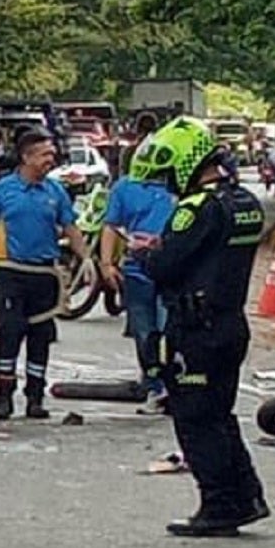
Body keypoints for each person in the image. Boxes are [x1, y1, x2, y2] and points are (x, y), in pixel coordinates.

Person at [138, 116, 269, 537]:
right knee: (220, 414)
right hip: (231, 322)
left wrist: (144, 253)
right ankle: (246, 495)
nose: (169, 183)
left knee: (195, 418)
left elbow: (165, 266)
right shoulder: (244, 201)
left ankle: (219, 504)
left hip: (197, 328)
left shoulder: (197, 208)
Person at [0, 130, 95, 420]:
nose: (51, 160)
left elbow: (70, 227)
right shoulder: (2, 190)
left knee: (41, 335)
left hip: (44, 273)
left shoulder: (55, 192)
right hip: (12, 272)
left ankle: (35, 397)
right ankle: (4, 397)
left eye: (51, 154)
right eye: (44, 155)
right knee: (9, 332)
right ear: (26, 157)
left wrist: (86, 258)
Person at [99, 138, 177, 414]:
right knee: (144, 331)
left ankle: (173, 384)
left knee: (169, 327)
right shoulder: (124, 188)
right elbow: (111, 225)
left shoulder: (178, 186)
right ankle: (154, 383)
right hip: (136, 269)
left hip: (172, 269)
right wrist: (106, 264)